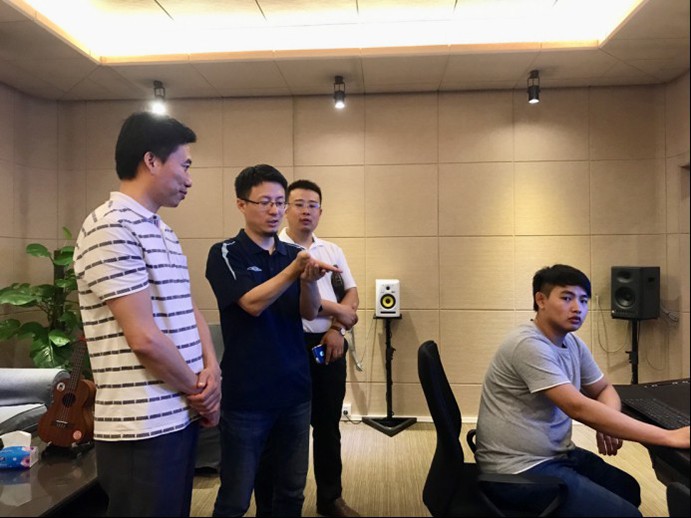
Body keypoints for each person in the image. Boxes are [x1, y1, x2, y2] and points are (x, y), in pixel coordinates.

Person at [73, 111, 221, 517]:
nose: (189, 179)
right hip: (142, 425)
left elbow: (188, 307)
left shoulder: (162, 231)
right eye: (184, 165)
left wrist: (212, 368)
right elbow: (144, 339)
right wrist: (200, 393)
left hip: (178, 414)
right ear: (151, 160)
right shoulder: (110, 227)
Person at [475, 264, 690, 517]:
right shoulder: (528, 345)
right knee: (627, 514)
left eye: (584, 300)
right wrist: (669, 437)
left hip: (556, 454)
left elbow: (604, 388)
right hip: (518, 470)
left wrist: (607, 422)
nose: (578, 308)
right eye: (567, 298)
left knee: (628, 490)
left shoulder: (571, 342)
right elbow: (577, 407)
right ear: (541, 300)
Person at [205, 164, 340, 517]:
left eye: (280, 202)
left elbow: (308, 312)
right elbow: (251, 304)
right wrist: (294, 271)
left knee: (291, 493)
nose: (275, 210)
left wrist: (309, 281)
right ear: (241, 204)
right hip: (247, 396)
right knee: (236, 497)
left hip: (295, 390)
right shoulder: (226, 253)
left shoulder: (291, 254)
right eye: (265, 202)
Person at [278, 179, 360, 517]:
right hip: (288, 345)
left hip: (329, 343)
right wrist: (340, 311)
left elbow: (352, 294)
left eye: (312, 205)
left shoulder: (332, 250)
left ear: (321, 212)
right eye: (298, 204)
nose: (306, 211)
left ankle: (330, 498)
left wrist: (338, 327)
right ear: (285, 209)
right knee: (289, 428)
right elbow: (293, 302)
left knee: (327, 426)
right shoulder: (276, 251)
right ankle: (285, 503)